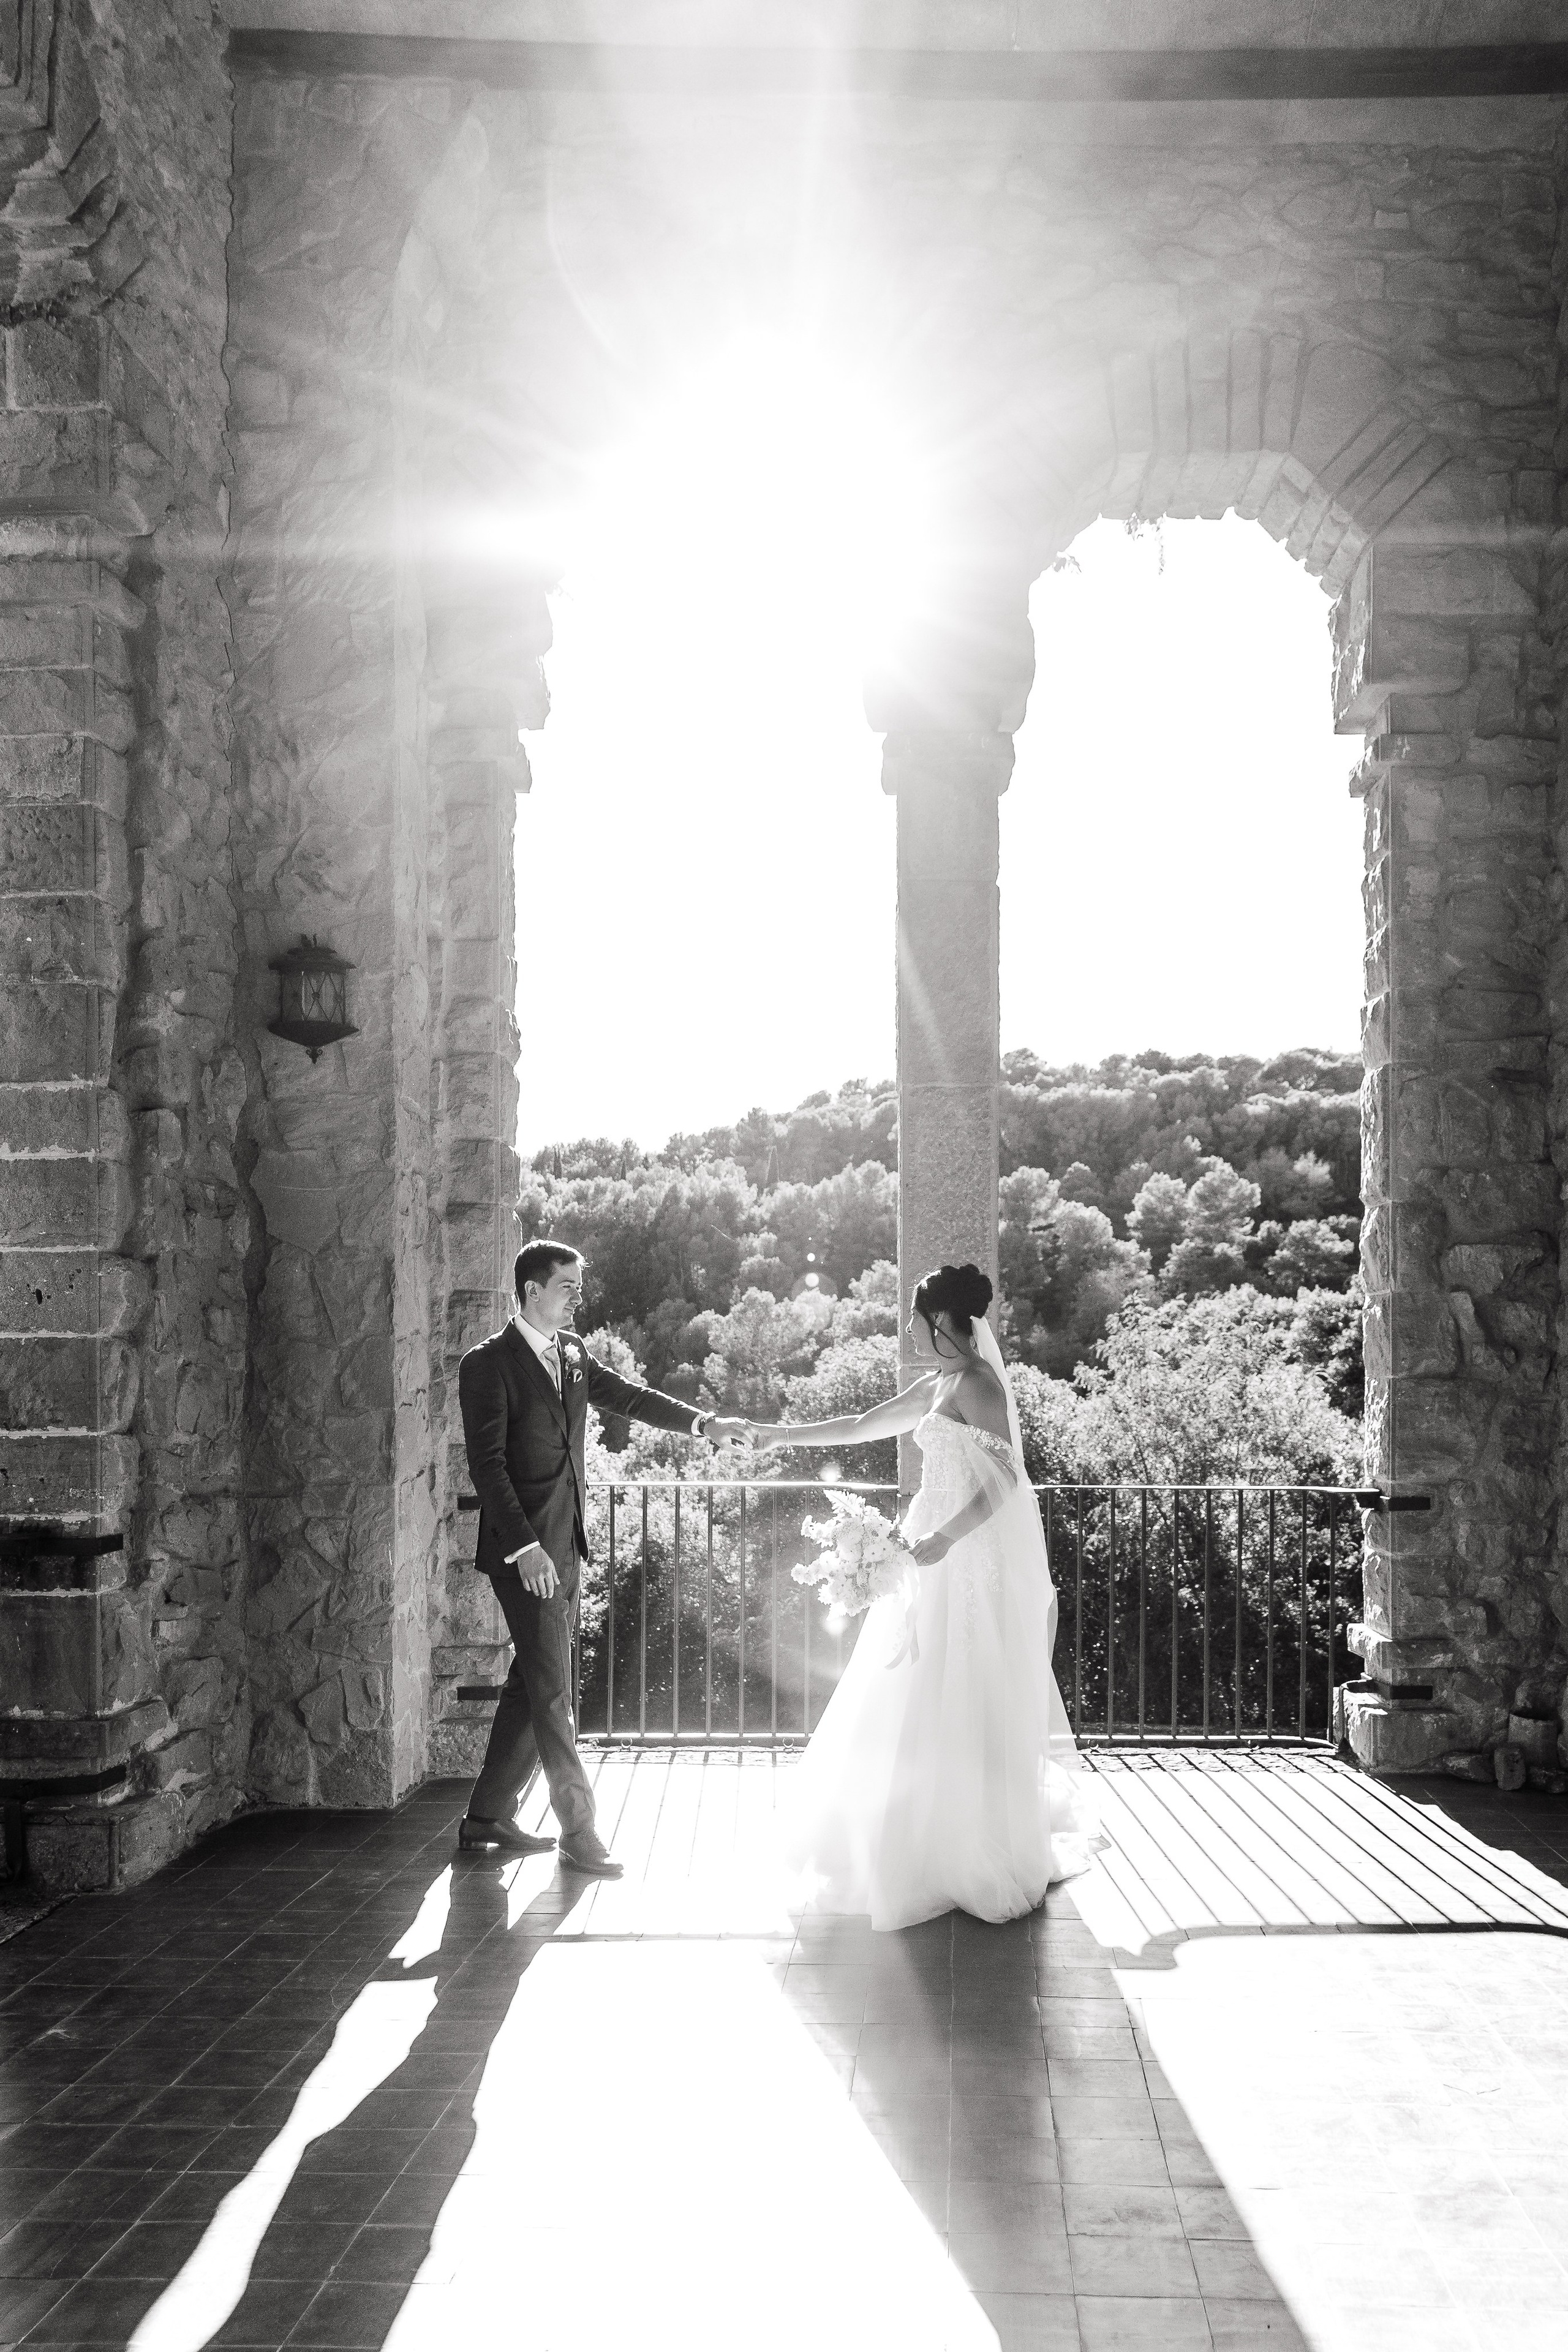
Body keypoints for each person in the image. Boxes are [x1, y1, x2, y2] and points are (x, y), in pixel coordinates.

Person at [746, 1261, 1095, 1930]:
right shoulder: (938, 1383)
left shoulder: (981, 1385)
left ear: (939, 1321)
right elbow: (857, 1425)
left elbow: (1004, 1483)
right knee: (906, 1685)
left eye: (913, 1316)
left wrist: (945, 1536)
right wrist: (775, 1436)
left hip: (963, 1560)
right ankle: (903, 1838)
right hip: (922, 1556)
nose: (906, 1328)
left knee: (959, 1684)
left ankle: (967, 1843)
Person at [458, 1239, 746, 1874]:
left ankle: (484, 1817)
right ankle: (578, 1831)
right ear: (532, 1290)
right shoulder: (487, 1365)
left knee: (531, 1685)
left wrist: (705, 1424)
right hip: (525, 1554)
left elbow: (634, 1398)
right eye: (568, 1285)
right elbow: (487, 1465)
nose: (578, 1297)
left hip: (567, 1546)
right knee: (554, 1692)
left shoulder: (574, 1353)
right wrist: (527, 1548)